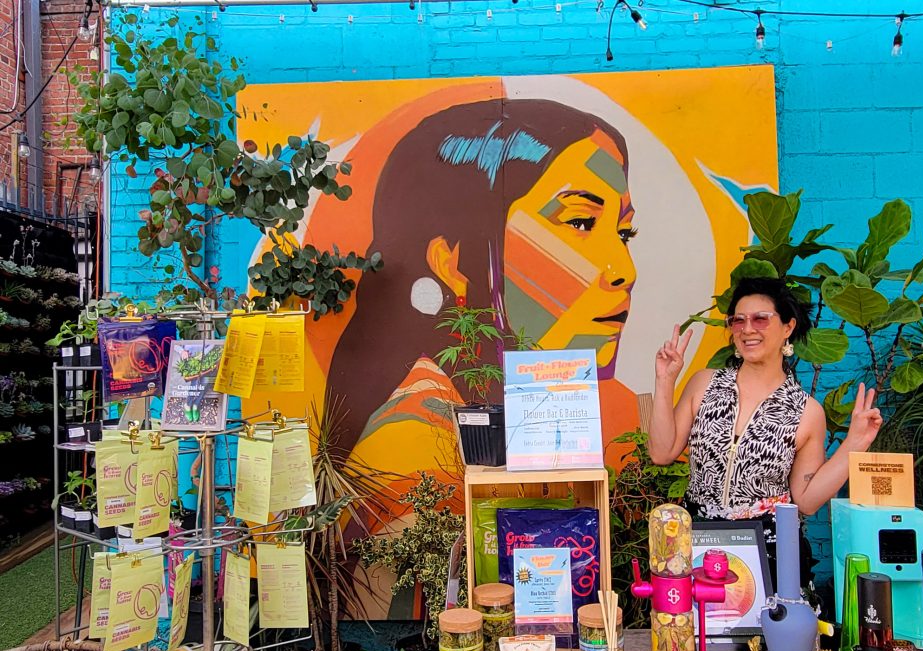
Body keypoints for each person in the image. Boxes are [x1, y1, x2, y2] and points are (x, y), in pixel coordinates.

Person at [326, 97, 638, 463]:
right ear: (450, 262)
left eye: (624, 233)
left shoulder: (499, 400)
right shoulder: (418, 439)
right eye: (580, 222)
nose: (625, 272)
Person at [648, 276, 883, 587]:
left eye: (761, 319)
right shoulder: (705, 385)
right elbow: (661, 452)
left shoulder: (805, 411)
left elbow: (807, 500)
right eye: (738, 321)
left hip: (769, 554)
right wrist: (665, 381)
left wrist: (854, 443)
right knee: (700, 632)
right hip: (699, 545)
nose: (748, 329)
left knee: (765, 635)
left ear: (787, 327)